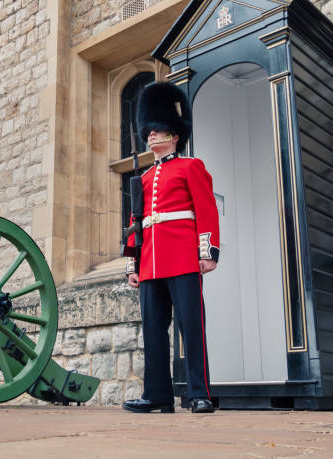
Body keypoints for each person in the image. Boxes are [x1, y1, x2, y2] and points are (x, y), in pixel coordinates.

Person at [122, 81, 220, 414]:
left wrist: (206, 251)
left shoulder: (191, 167)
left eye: (157, 131)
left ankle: (198, 393)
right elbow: (138, 222)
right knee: (153, 332)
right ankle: (157, 394)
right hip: (150, 262)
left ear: (174, 135)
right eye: (148, 131)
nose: (150, 136)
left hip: (182, 258)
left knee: (191, 328)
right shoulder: (145, 178)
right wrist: (133, 264)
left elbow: (205, 210)